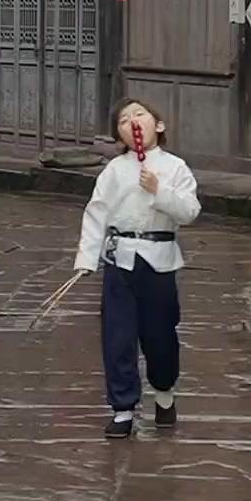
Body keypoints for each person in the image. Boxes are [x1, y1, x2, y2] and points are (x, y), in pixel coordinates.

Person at [74, 97, 201, 439]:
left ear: (158, 126)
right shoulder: (114, 170)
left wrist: (160, 191)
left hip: (159, 262)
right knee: (117, 337)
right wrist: (87, 258)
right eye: (123, 119)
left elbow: (189, 211)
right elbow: (96, 212)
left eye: (140, 114)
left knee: (160, 337)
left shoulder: (176, 167)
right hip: (120, 260)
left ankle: (164, 392)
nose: (132, 121)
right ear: (119, 136)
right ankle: (122, 407)